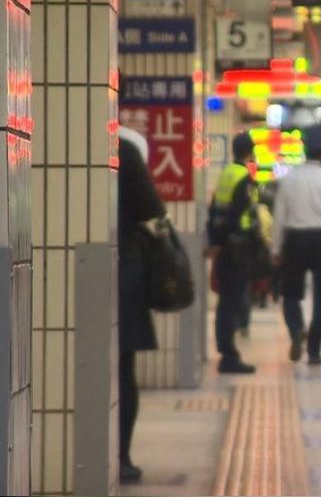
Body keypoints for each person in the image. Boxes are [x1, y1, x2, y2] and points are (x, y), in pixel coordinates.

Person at [271, 125, 321, 365]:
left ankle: (296, 330)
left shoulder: (289, 180)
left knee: (291, 294)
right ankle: (314, 351)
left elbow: (279, 218)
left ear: (304, 149)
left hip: (294, 240)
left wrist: (275, 249)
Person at [116, 130, 165, 483]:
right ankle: (120, 456)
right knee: (122, 367)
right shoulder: (125, 147)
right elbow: (151, 208)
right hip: (123, 271)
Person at [205, 132, 260, 374]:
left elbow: (214, 209)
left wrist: (215, 241)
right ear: (250, 152)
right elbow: (238, 214)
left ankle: (225, 350)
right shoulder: (244, 178)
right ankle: (228, 356)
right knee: (232, 301)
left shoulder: (226, 175)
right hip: (237, 247)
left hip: (225, 247)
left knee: (225, 301)